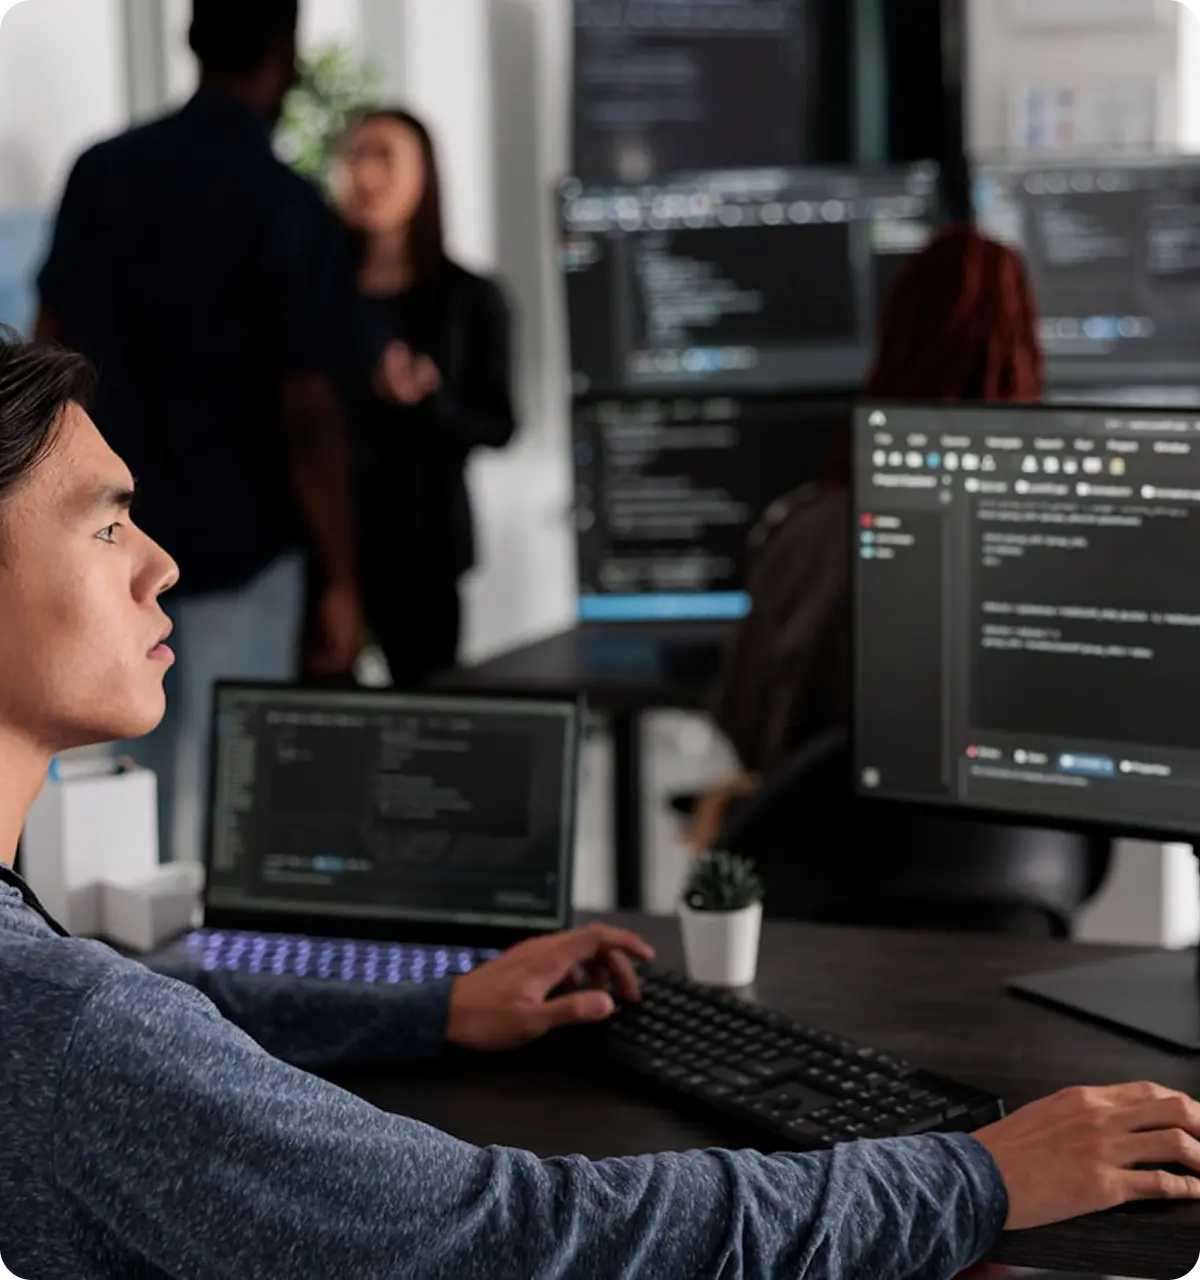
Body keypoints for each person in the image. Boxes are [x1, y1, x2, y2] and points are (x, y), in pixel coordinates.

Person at [3, 337, 1200, 1278]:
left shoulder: (56, 993)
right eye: (107, 524)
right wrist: (976, 1177)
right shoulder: (70, 1034)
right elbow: (521, 1240)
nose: (159, 561)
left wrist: (435, 1006)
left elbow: (154, 1006)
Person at [34, 0, 363, 865]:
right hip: (244, 540)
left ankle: (120, 990)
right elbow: (307, 413)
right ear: (285, 52)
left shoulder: (102, 172)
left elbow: (43, 360)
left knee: (117, 798)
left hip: (102, 535)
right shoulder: (287, 204)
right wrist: (341, 574)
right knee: (235, 805)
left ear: (189, 39)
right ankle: (210, 1000)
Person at [693, 226, 1043, 852]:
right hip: (1020, 886)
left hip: (818, 887)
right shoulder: (1071, 540)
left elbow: (747, 729)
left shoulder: (802, 533)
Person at [330, 107, 517, 686]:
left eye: (384, 156)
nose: (365, 174)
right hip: (328, 545)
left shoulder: (469, 296)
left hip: (425, 547)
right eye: (354, 155)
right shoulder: (316, 294)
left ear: (424, 175)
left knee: (428, 710)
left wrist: (428, 401)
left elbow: (500, 424)